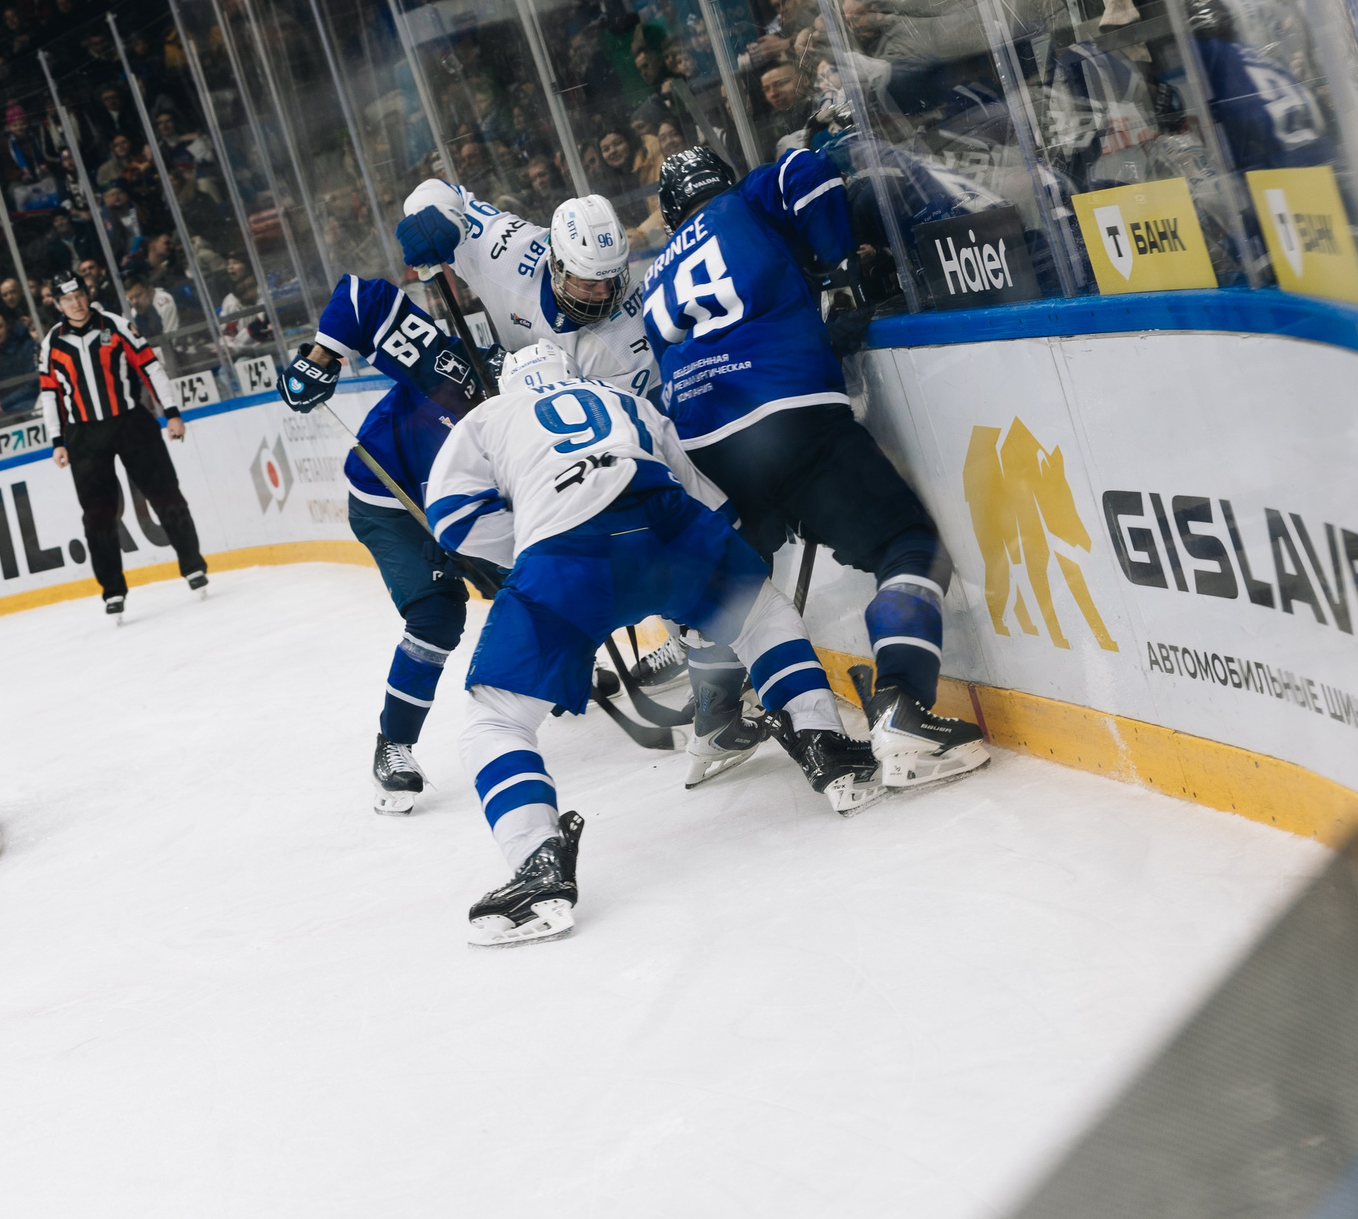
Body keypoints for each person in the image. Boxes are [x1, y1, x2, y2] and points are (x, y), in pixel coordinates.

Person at [423, 341, 881, 946]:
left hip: (567, 561)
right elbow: (707, 499)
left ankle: (538, 866)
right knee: (764, 616)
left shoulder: (488, 417)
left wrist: (529, 539)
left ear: (508, 388)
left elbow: (451, 516)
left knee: (494, 722)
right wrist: (721, 566)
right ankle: (825, 745)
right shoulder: (621, 398)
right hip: (668, 525)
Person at [638, 146, 989, 789]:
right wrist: (840, 265)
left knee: (738, 579)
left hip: (708, 446)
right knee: (906, 543)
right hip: (786, 416)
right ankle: (905, 707)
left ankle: (715, 710)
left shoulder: (653, 275)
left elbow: (720, 333)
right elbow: (804, 168)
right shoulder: (744, 200)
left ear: (667, 215)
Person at [280, 274, 490, 811]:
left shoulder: (544, 438)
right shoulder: (449, 371)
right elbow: (362, 296)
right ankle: (393, 746)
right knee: (438, 617)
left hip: (461, 511)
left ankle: (564, 669)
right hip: (387, 501)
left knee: (542, 582)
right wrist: (321, 358)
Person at [36, 274, 207, 619]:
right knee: (97, 516)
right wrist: (57, 440)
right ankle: (112, 591)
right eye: (67, 300)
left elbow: (151, 369)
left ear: (88, 295)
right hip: (83, 435)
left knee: (165, 494)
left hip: (131, 423)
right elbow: (50, 394)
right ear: (57, 305)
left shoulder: (116, 325)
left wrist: (171, 413)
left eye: (80, 296)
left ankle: (193, 566)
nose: (76, 304)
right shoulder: (51, 344)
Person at [394, 180, 657, 399]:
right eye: (590, 283)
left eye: (612, 279)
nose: (605, 294)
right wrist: (435, 218)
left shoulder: (634, 335)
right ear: (557, 265)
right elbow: (439, 190)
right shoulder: (508, 250)